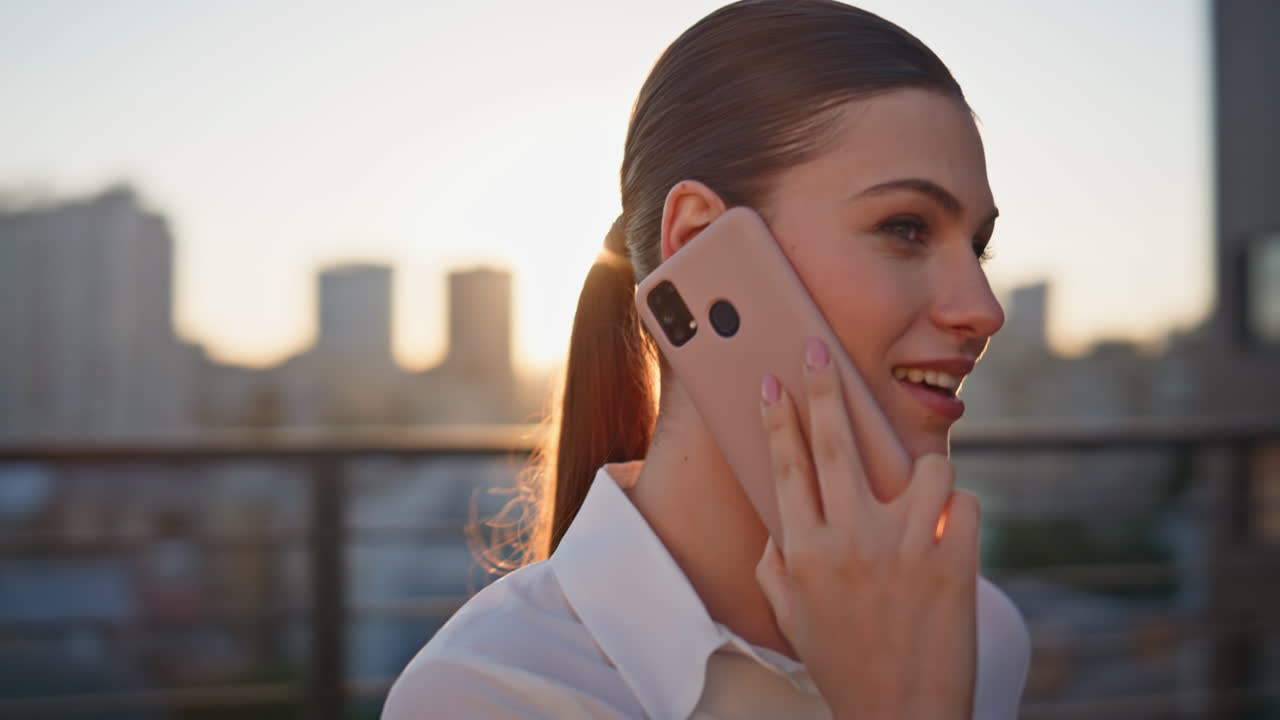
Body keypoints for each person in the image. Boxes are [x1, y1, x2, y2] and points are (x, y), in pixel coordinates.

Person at [384, 1, 1031, 717]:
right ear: (697, 245)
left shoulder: (982, 632)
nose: (983, 308)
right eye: (905, 228)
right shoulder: (490, 694)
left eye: (976, 246)